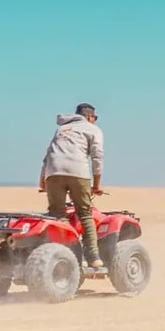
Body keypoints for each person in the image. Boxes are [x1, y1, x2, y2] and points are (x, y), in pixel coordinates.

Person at [39, 103, 106, 276]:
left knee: (57, 214)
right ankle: (93, 256)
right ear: (89, 116)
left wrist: (42, 182)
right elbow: (97, 157)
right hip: (78, 171)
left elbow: (48, 155)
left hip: (53, 172)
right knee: (85, 213)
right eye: (95, 118)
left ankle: (66, 252)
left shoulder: (62, 129)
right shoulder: (93, 129)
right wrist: (96, 185)